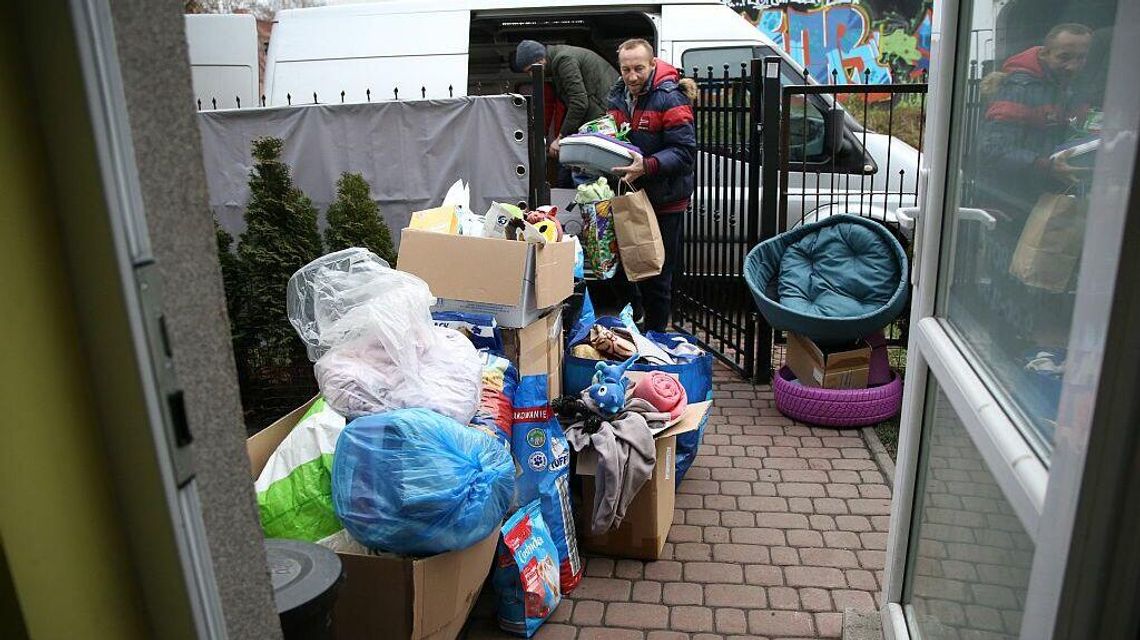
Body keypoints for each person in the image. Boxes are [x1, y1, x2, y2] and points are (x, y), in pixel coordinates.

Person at [605, 38, 698, 332]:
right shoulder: (618, 96)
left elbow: (684, 152)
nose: (632, 76)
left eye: (639, 69)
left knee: (657, 277)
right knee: (622, 270)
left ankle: (656, 339)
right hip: (631, 197)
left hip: (664, 200)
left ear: (653, 64)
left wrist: (646, 166)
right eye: (626, 69)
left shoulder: (670, 97)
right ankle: (639, 324)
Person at [978, 23, 1093, 210]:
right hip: (1010, 203)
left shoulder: (1067, 87)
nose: (1072, 66)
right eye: (1064, 57)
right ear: (1045, 54)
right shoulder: (1018, 89)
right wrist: (1047, 166)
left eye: (1081, 58)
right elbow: (992, 150)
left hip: (1044, 198)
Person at [513, 40, 619, 160]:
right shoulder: (559, 59)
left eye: (531, 70)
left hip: (605, 116)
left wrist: (561, 138)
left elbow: (579, 103)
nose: (531, 75)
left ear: (540, 60)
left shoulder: (563, 61)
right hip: (605, 111)